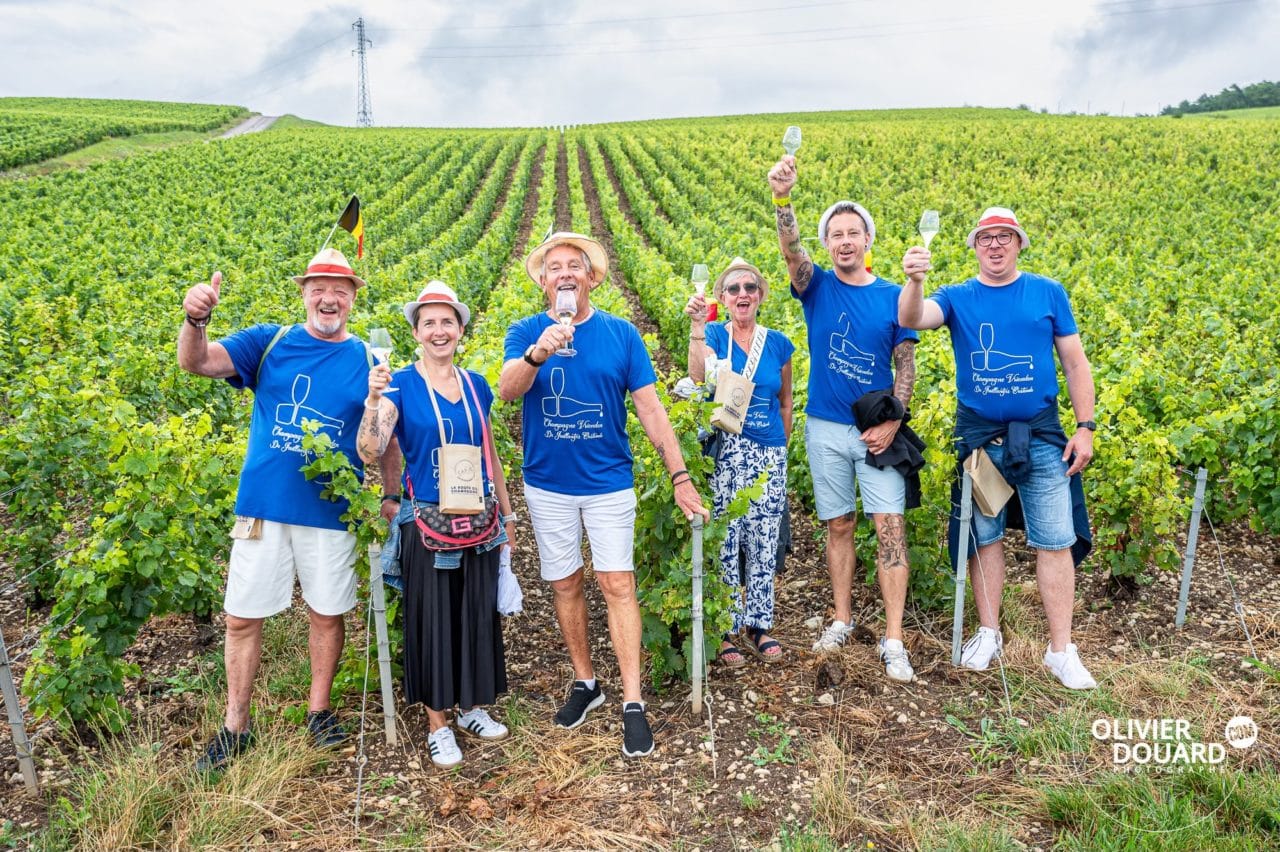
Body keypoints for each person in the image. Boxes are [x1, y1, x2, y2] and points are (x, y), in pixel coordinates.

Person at [178, 247, 402, 772]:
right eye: (319, 288)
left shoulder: (369, 362)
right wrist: (196, 319)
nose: (329, 298)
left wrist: (390, 495)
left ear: (352, 298)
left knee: (327, 613)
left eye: (340, 290)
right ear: (303, 292)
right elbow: (197, 362)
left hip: (332, 513)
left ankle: (318, 711)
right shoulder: (269, 342)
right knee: (241, 618)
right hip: (264, 508)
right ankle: (236, 727)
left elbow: (386, 441)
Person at [499, 231, 709, 758]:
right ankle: (586, 683)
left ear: (592, 278)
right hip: (546, 485)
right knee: (565, 584)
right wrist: (537, 352)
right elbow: (507, 389)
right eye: (555, 267)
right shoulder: (526, 330)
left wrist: (679, 476)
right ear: (544, 282)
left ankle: (632, 702)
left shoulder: (621, 335)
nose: (565, 273)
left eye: (576, 265)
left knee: (617, 583)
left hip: (609, 482)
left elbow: (650, 408)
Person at [899, 207, 1098, 690]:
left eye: (1004, 237)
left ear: (1018, 244)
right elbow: (913, 317)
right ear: (974, 247)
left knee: (1055, 538)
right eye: (986, 238)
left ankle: (1060, 651)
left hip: (1045, 437)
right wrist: (915, 279)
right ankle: (989, 633)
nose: (994, 245)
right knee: (983, 535)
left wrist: (1086, 426)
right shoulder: (958, 297)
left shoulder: (1047, 292)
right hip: (980, 440)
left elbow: (1074, 362)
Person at [767, 155, 920, 682]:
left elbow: (906, 364)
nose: (845, 240)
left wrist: (895, 420)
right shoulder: (817, 287)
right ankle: (841, 618)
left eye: (854, 232)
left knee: (890, 527)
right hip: (825, 428)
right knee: (839, 525)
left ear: (868, 240)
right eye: (836, 233)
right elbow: (791, 253)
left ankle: (894, 638)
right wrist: (782, 199)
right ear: (827, 242)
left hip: (877, 430)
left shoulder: (894, 297)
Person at [357, 280, 517, 767]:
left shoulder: (477, 384)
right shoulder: (398, 385)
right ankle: (437, 722)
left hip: (478, 517)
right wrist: (372, 401)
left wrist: (508, 515)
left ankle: (470, 707)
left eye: (448, 321)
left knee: (475, 612)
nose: (439, 330)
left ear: (461, 330)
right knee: (433, 620)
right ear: (416, 332)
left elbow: (489, 453)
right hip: (426, 519)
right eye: (429, 322)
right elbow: (369, 449)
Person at [684, 258, 794, 666]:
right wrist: (697, 329)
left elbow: (785, 401)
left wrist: (781, 446)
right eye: (734, 289)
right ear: (722, 299)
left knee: (764, 540)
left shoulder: (778, 342)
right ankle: (727, 627)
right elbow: (698, 380)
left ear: (761, 295)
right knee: (727, 539)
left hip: (769, 452)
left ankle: (759, 623)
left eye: (750, 287)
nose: (743, 294)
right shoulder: (713, 334)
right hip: (727, 451)